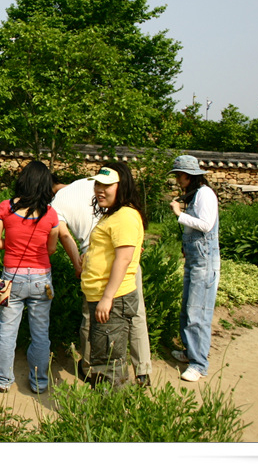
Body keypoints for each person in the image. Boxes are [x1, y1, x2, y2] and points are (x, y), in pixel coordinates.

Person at [51, 175, 153, 387]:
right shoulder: (93, 187)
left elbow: (64, 234)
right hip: (124, 258)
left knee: (95, 321)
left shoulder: (59, 201)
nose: (99, 190)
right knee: (135, 315)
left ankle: (92, 368)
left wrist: (78, 265)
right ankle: (142, 371)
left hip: (107, 268)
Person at [0, 161, 60, 394]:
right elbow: (51, 249)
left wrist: (12, 245)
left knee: (7, 330)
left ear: (23, 180)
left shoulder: (5, 208)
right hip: (41, 278)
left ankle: (2, 380)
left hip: (12, 277)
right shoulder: (50, 214)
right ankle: (39, 382)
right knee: (40, 333)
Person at [80, 162, 147, 389]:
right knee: (104, 356)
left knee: (108, 363)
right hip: (102, 296)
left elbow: (124, 259)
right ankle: (110, 404)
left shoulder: (125, 216)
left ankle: (111, 406)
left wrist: (107, 298)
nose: (100, 190)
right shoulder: (114, 214)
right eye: (98, 184)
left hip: (113, 299)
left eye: (107, 185)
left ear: (122, 186)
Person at [168, 155, 220, 382]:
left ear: (189, 176)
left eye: (179, 176)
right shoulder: (196, 194)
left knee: (198, 313)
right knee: (188, 309)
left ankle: (199, 364)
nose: (178, 180)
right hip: (195, 259)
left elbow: (206, 225)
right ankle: (190, 352)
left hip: (204, 261)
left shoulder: (205, 194)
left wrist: (179, 214)